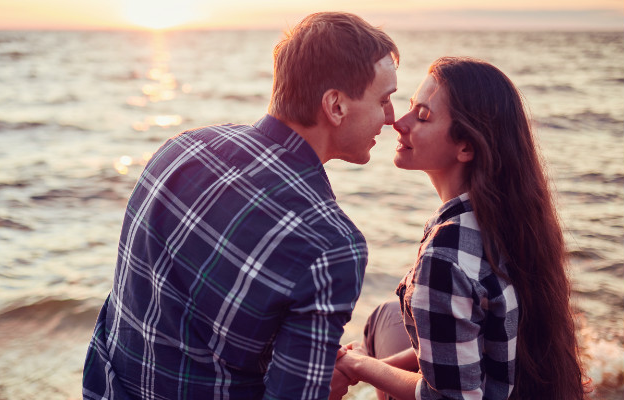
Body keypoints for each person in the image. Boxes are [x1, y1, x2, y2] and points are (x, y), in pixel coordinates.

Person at [82, 12, 399, 400]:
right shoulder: (331, 243)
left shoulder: (180, 150)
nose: (391, 118)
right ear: (335, 106)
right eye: (384, 100)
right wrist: (325, 385)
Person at [330, 57, 589, 400]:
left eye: (422, 116)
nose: (399, 123)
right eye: (410, 107)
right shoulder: (509, 219)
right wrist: (368, 368)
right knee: (391, 314)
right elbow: (467, 342)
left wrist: (360, 367)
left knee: (382, 319)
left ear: (466, 146)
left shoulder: (446, 254)